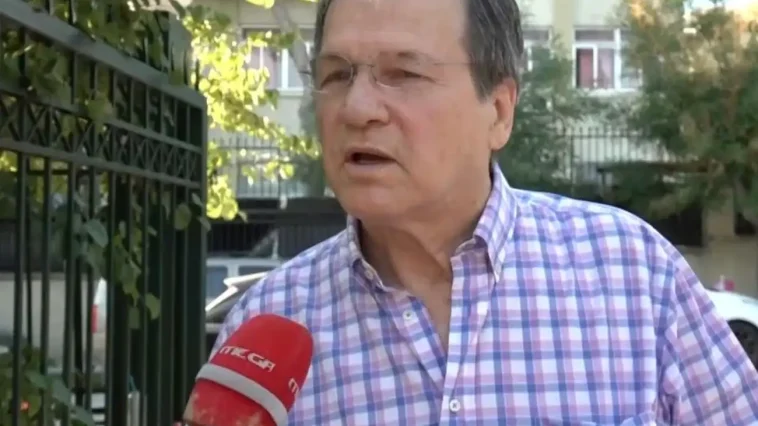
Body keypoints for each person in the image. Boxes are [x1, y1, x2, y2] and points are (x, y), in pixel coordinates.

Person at [213, 0, 758, 423]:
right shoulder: (268, 325)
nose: (356, 108)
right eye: (337, 75)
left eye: (403, 74)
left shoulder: (634, 275)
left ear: (498, 111)